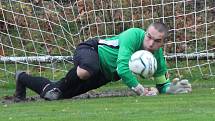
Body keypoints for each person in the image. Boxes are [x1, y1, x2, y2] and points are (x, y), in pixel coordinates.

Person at [14, 22, 192, 101]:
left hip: (104, 75)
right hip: (92, 51)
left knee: (55, 95)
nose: (151, 43)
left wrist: (170, 89)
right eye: (149, 37)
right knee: (87, 69)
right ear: (145, 33)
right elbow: (123, 68)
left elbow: (162, 84)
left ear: (163, 42)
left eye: (157, 41)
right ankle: (57, 86)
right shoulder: (133, 35)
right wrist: (141, 90)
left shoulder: (158, 58)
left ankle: (21, 78)